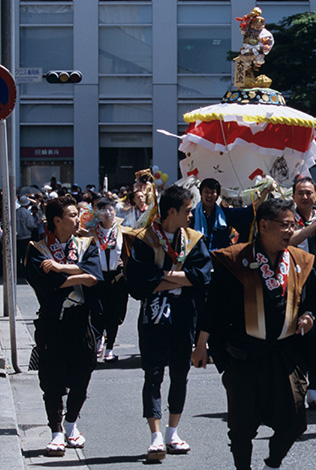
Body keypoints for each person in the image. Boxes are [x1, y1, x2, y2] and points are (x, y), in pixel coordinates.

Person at [191, 198, 316, 470]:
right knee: (241, 425)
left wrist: (308, 315)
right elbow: (213, 307)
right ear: (263, 225)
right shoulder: (235, 260)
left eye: (293, 225)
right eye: (284, 225)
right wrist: (201, 345)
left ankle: (272, 462)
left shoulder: (299, 261)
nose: (290, 231)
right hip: (244, 352)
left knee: (296, 419)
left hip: (284, 353)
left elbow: (309, 300)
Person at [125, 185, 212, 460]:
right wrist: (180, 278)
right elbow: (139, 284)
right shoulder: (144, 239)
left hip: (184, 313)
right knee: (153, 373)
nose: (191, 215)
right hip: (153, 314)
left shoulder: (195, 239)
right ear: (171, 211)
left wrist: (163, 277)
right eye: (187, 211)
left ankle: (173, 432)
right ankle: (155, 436)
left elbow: (203, 278)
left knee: (179, 372)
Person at [24, 195, 101, 456]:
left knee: (83, 372)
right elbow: (45, 287)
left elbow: (94, 277)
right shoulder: (37, 248)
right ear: (57, 220)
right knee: (52, 378)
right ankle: (56, 430)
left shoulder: (86, 243)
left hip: (80, 319)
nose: (77, 218)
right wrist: (74, 275)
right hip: (52, 321)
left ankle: (71, 423)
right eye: (71, 215)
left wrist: (59, 268)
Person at [289, 176, 316, 409]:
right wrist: (314, 226)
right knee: (298, 333)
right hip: (297, 279)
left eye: (309, 193)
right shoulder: (288, 218)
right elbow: (290, 241)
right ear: (294, 196)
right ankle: (297, 384)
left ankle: (314, 388)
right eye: (301, 193)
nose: (305, 197)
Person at [90, 197, 129, 362]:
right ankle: (97, 343)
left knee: (115, 314)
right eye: (103, 210)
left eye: (110, 210)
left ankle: (110, 348)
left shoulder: (123, 231)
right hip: (98, 277)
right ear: (98, 213)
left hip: (117, 277)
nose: (107, 213)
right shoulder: (91, 232)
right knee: (98, 313)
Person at [191, 177, 266, 251]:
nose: (209, 195)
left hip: (221, 258)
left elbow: (247, 213)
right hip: (199, 259)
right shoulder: (191, 215)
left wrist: (265, 191)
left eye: (212, 192)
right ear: (201, 194)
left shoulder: (225, 214)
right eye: (206, 192)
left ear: (217, 196)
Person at [17, 195, 38, 267]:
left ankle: (18, 270)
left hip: (17, 237)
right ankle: (24, 270)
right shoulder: (27, 213)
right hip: (26, 237)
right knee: (25, 255)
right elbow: (31, 225)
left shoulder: (16, 212)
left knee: (18, 255)